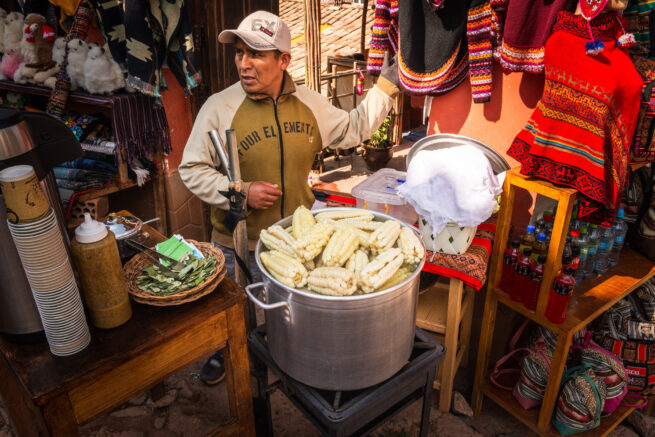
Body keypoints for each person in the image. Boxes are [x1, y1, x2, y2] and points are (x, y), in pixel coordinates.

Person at [179, 10, 400, 384]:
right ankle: (226, 352)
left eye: (256, 54)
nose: (243, 64)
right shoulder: (220, 107)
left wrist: (386, 88)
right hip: (239, 240)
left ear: (283, 60)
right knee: (236, 310)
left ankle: (294, 358)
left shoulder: (310, 104)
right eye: (239, 53)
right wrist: (241, 191)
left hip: (297, 240)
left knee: (292, 314)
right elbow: (191, 169)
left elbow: (352, 129)